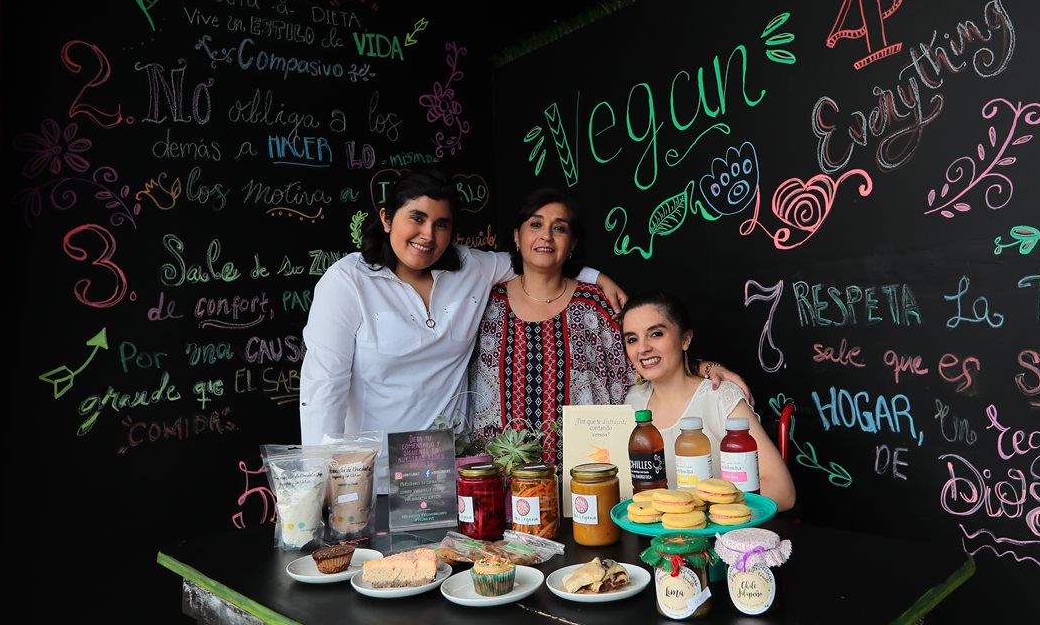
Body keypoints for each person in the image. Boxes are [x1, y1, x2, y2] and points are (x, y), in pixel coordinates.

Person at [298, 170, 624, 492]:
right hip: (373, 481)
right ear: (386, 218)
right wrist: (322, 482)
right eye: (417, 218)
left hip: (451, 476)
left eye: (442, 224)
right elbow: (324, 387)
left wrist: (597, 277)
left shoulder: (470, 269)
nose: (428, 234)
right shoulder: (347, 282)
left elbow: (535, 258)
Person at [469, 188, 753, 470]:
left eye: (560, 228)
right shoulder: (486, 303)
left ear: (573, 243)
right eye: (536, 224)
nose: (546, 236)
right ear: (517, 237)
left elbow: (644, 360)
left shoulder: (597, 304)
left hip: (586, 480)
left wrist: (702, 366)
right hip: (498, 478)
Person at [621, 289, 796, 511]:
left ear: (685, 339)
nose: (643, 348)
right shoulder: (632, 402)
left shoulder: (720, 396)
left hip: (717, 538)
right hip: (648, 538)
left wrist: (699, 507)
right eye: (632, 339)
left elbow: (782, 491)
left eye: (656, 334)